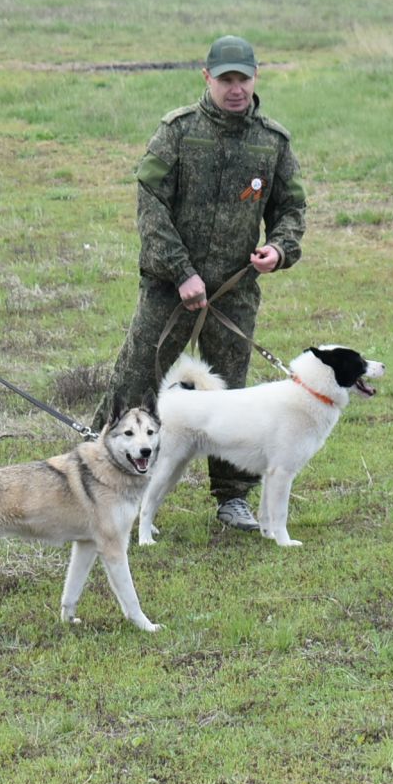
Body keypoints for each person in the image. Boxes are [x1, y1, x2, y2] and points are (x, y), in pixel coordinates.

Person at [92, 34, 306, 532]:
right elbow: (151, 205)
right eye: (225, 78)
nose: (235, 88)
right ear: (207, 78)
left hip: (234, 293)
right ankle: (102, 479)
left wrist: (279, 249)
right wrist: (180, 271)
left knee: (229, 396)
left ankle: (232, 497)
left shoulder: (272, 142)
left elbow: (292, 210)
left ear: (256, 79)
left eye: (243, 78)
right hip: (170, 288)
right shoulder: (178, 132)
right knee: (137, 378)